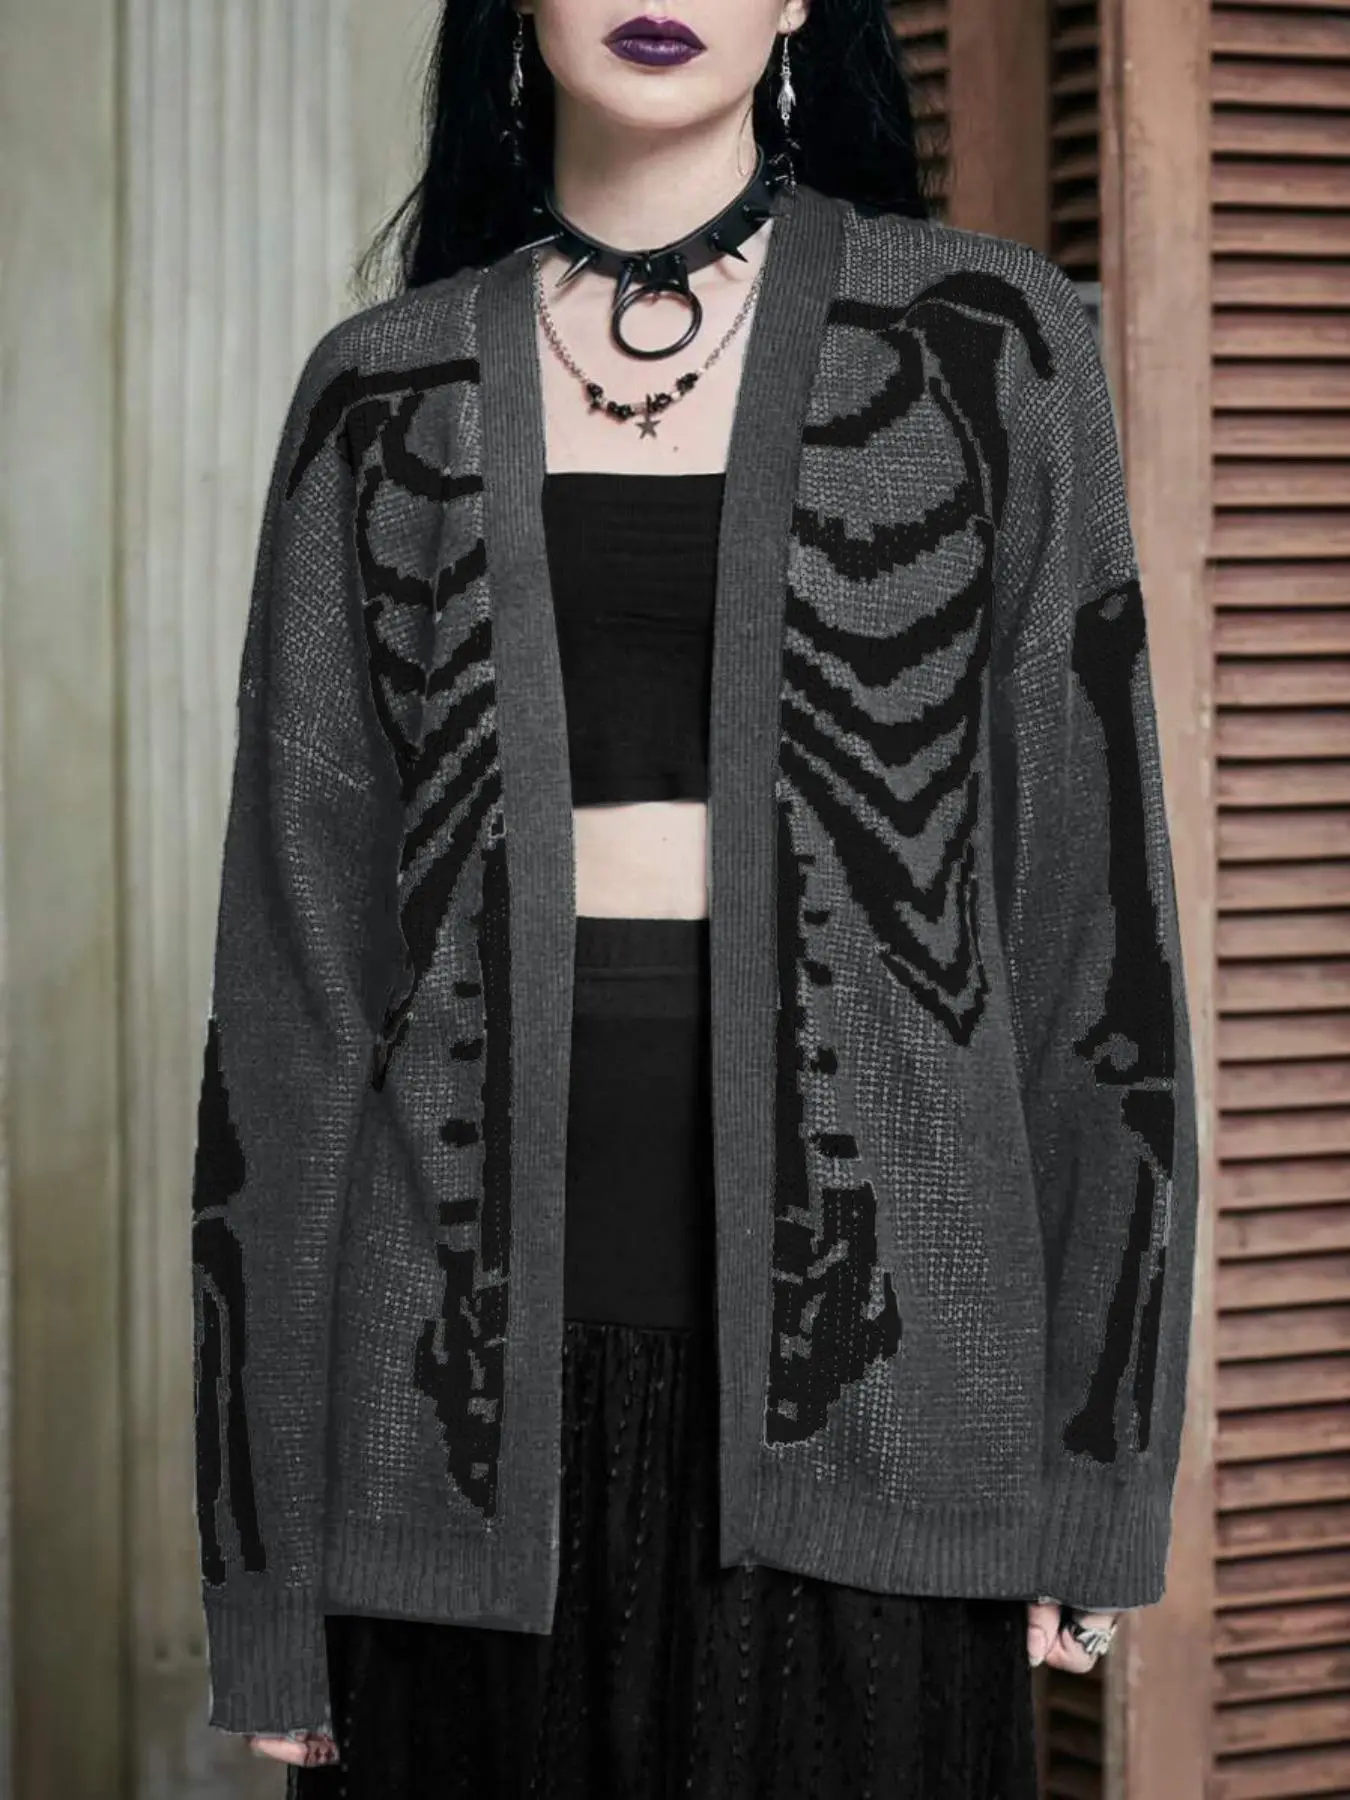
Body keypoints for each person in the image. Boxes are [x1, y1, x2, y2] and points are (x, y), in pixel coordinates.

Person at [189, 1, 1199, 1794]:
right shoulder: (379, 392)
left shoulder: (984, 342)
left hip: (893, 1382)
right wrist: (263, 1566)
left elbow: (1090, 938)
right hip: (442, 1424)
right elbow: (290, 999)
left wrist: (1096, 1463)